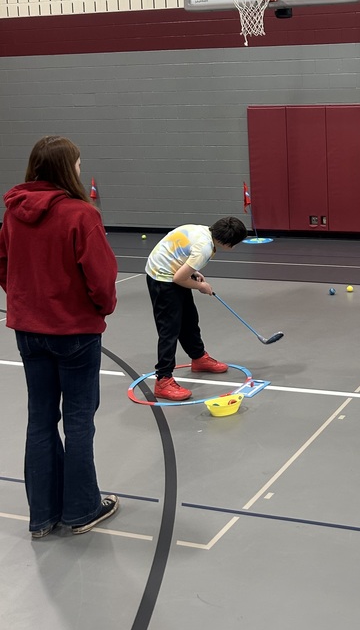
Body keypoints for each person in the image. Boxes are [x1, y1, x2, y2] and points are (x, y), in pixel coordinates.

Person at [0, 136, 119, 538]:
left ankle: (42, 516)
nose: (81, 169)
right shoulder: (81, 214)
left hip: (29, 331)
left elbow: (4, 264)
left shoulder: (14, 212)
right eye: (79, 163)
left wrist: (27, 301)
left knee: (40, 418)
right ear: (67, 169)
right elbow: (101, 278)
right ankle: (82, 510)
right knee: (79, 421)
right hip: (74, 332)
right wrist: (100, 309)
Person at [145, 217, 248, 400]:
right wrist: (201, 286)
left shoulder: (202, 230)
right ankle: (163, 380)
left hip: (169, 270)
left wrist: (192, 271)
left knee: (189, 320)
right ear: (228, 243)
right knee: (170, 329)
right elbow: (178, 279)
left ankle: (198, 357)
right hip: (162, 279)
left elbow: (179, 254)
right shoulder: (204, 248)